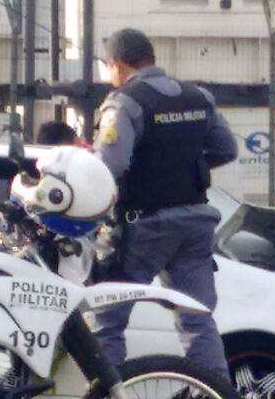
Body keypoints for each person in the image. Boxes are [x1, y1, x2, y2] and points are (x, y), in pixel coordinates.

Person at [91, 28, 237, 376]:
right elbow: (226, 149)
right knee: (197, 320)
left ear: (116, 64)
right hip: (196, 221)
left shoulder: (125, 102)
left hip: (143, 227)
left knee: (106, 320)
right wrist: (183, 166)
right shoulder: (198, 97)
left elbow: (109, 166)